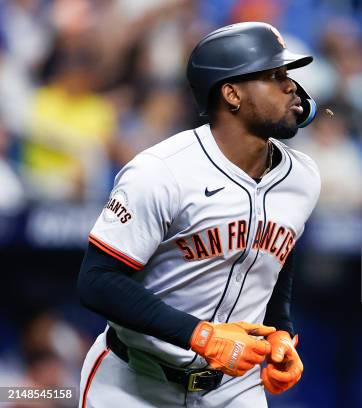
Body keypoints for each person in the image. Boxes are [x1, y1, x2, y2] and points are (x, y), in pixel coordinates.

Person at [77, 22, 320, 407]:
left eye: (287, 75)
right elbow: (97, 281)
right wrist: (201, 335)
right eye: (274, 76)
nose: (292, 86)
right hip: (135, 382)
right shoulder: (161, 171)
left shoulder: (303, 176)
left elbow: (276, 259)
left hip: (234, 389)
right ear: (232, 93)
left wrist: (280, 333)